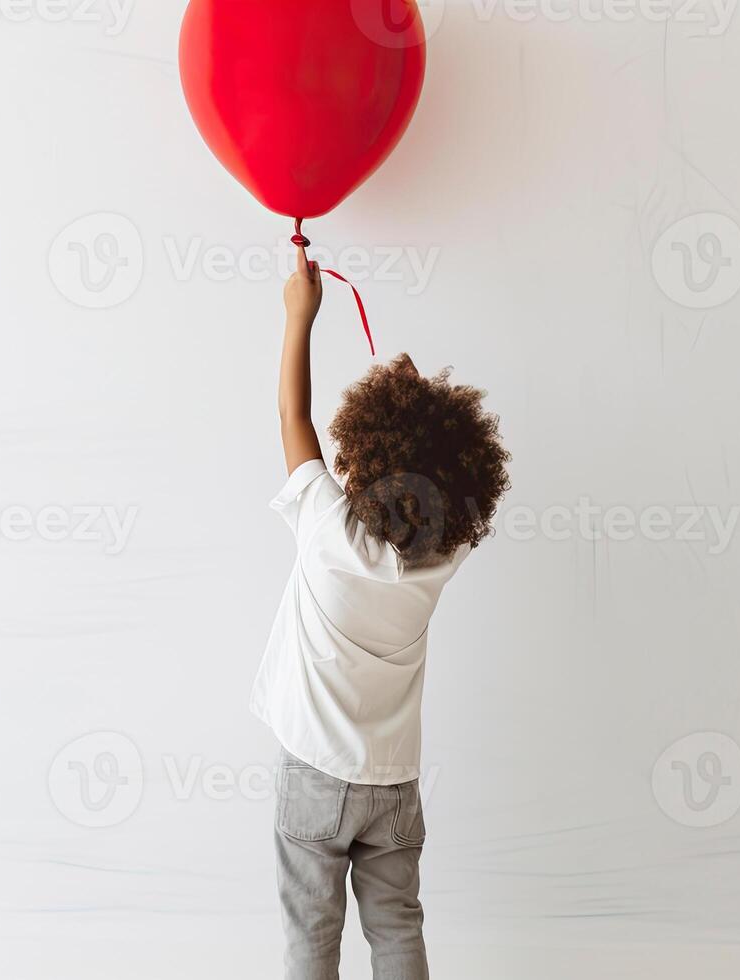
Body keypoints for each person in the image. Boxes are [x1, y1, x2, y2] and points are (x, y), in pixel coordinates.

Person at [263, 247, 511, 980]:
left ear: (363, 456)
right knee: (397, 928)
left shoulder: (324, 528)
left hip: (314, 774)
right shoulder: (441, 560)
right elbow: (443, 490)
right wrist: (421, 410)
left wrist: (297, 316)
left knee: (310, 934)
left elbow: (292, 414)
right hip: (394, 785)